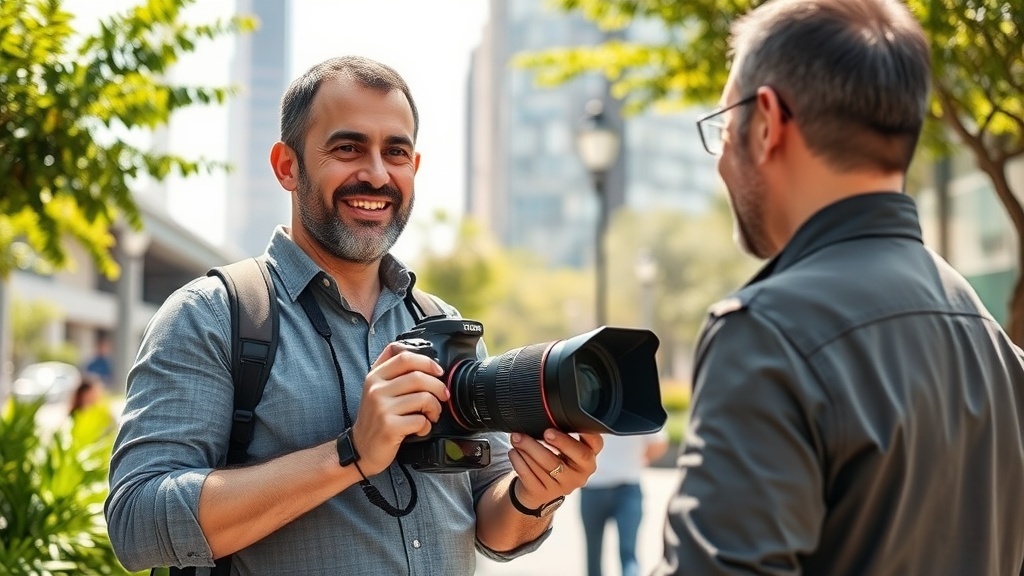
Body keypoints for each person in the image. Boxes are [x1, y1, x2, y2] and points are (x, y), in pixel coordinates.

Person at [105, 55, 603, 575]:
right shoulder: (212, 316)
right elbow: (137, 525)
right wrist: (351, 452)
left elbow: (493, 526)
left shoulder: (445, 324)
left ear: (414, 167)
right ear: (287, 166)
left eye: (396, 152)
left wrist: (536, 494)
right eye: (347, 148)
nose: (376, 174)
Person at [654, 0, 1024, 574]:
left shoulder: (766, 334)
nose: (721, 158)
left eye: (725, 127)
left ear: (769, 122)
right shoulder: (995, 346)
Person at [580, 432, 667, 576]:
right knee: (628, 553)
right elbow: (659, 443)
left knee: (593, 554)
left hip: (594, 488)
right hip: (627, 487)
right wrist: (642, 458)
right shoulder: (641, 409)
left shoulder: (588, 409)